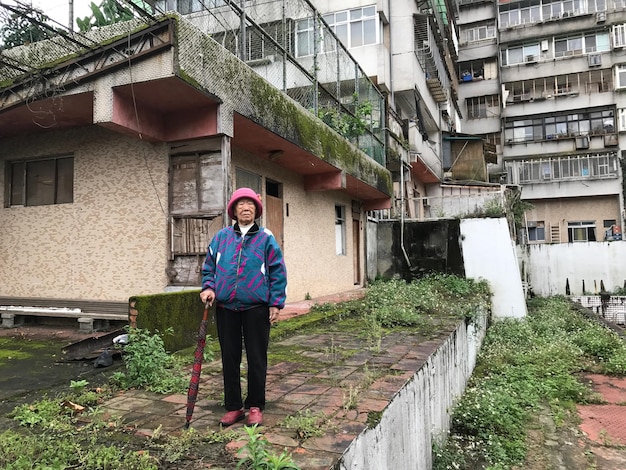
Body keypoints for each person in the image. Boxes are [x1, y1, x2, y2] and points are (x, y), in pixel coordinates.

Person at [200, 187, 287, 426]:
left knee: (257, 358)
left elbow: (277, 271)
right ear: (234, 210)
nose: (245, 207)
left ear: (256, 210)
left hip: (256, 307)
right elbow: (209, 268)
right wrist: (208, 287)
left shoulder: (266, 238)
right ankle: (234, 407)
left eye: (250, 204)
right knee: (229, 357)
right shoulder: (221, 237)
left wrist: (276, 303)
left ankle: (256, 406)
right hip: (226, 307)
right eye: (241, 204)